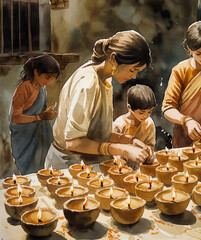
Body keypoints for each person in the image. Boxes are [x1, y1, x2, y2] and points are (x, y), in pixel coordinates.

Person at [45, 30, 152, 169]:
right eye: (132, 70)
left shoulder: (106, 78)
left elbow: (94, 132)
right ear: (114, 58)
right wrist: (122, 149)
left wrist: (128, 140)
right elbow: (73, 142)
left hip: (86, 163)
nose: (134, 77)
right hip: (68, 165)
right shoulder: (88, 84)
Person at [9, 55, 60, 174]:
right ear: (36, 72)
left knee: (44, 166)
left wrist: (46, 112)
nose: (49, 81)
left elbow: (38, 110)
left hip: (40, 135)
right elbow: (15, 117)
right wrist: (39, 117)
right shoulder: (24, 88)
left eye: (52, 79)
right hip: (25, 138)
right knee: (30, 169)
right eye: (47, 77)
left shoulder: (42, 88)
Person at [113, 84, 156, 151]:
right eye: (141, 112)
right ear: (129, 108)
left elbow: (150, 144)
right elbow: (114, 149)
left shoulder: (149, 123)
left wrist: (149, 152)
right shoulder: (119, 125)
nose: (146, 116)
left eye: (149, 112)